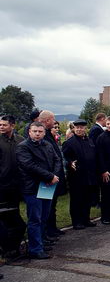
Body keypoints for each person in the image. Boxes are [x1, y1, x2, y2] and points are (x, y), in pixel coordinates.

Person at [16, 122, 61, 259]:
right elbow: (29, 166)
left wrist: (54, 176)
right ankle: (35, 248)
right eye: (34, 131)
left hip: (47, 185)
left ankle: (41, 242)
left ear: (44, 133)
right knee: (35, 218)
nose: (37, 134)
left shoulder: (47, 145)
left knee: (44, 216)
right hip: (33, 187)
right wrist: (50, 176)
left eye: (40, 131)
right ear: (29, 132)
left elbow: (57, 160)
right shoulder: (23, 147)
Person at [61, 119, 98, 229]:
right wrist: (70, 163)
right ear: (74, 129)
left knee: (87, 199)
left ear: (85, 128)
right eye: (77, 128)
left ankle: (86, 219)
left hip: (89, 175)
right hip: (77, 177)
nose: (79, 129)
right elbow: (64, 158)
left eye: (81, 127)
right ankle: (76, 222)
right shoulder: (69, 143)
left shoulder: (89, 141)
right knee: (77, 200)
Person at [0, 115, 26, 258]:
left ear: (13, 125)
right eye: (0, 125)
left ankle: (13, 247)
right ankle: (6, 248)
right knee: (4, 219)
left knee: (15, 217)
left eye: (4, 125)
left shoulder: (20, 140)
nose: (1, 127)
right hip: (2, 186)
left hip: (17, 185)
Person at [38, 110, 66, 238]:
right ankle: (46, 233)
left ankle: (52, 229)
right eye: (53, 119)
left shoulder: (48, 133)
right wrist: (51, 175)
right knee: (45, 208)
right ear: (47, 120)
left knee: (52, 204)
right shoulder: (42, 134)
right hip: (47, 178)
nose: (54, 122)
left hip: (54, 176)